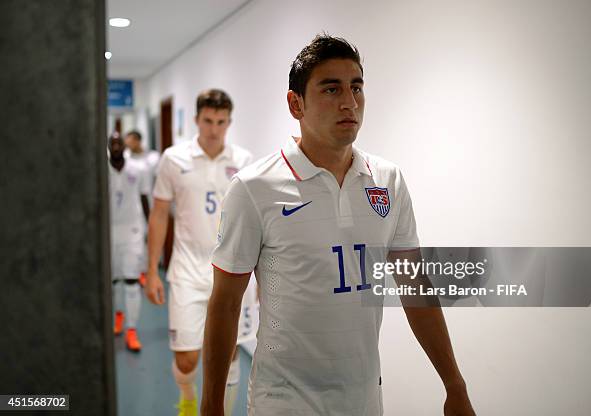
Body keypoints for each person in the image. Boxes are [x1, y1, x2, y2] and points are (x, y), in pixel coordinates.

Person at [201, 35, 476, 415]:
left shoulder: (388, 180)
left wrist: (454, 384)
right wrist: (211, 406)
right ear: (296, 104)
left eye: (356, 87)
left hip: (363, 399)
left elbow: (414, 287)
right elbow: (226, 304)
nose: (350, 102)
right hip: (283, 401)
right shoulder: (254, 188)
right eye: (331, 89)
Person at [145, 89, 256, 416]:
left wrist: (262, 275)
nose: (214, 129)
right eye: (208, 121)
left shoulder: (244, 161)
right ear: (196, 120)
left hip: (232, 273)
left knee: (229, 351)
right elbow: (159, 213)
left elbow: (255, 221)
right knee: (188, 357)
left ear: (229, 122)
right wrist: (152, 270)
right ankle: (188, 399)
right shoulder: (173, 159)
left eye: (221, 122)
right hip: (187, 271)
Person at [108, 132, 150, 352]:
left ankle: (132, 330)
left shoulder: (138, 169)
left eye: (118, 142)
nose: (115, 145)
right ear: (108, 146)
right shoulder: (101, 168)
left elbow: (144, 198)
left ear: (123, 145)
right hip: (109, 233)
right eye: (112, 142)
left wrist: (150, 228)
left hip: (133, 231)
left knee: (132, 281)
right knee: (114, 282)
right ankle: (118, 317)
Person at [124, 129, 160, 287]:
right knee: (134, 241)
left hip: (152, 203)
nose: (127, 144)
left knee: (149, 238)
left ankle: (149, 271)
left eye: (130, 141)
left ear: (138, 141)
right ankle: (136, 273)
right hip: (132, 207)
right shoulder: (125, 158)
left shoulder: (152, 158)